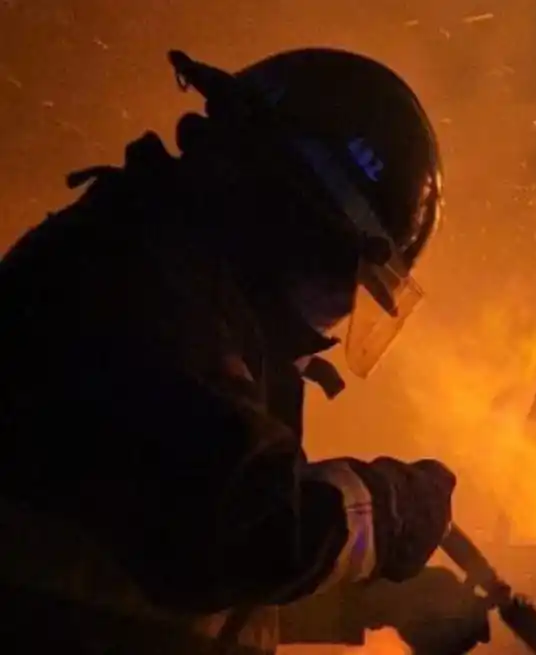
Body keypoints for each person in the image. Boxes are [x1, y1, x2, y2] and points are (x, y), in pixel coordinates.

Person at [0, 49, 487, 654]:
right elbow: (238, 533)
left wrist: (365, 602)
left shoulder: (161, 271)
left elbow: (152, 568)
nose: (330, 325)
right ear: (291, 223)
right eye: (342, 285)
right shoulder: (135, 290)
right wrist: (385, 509)